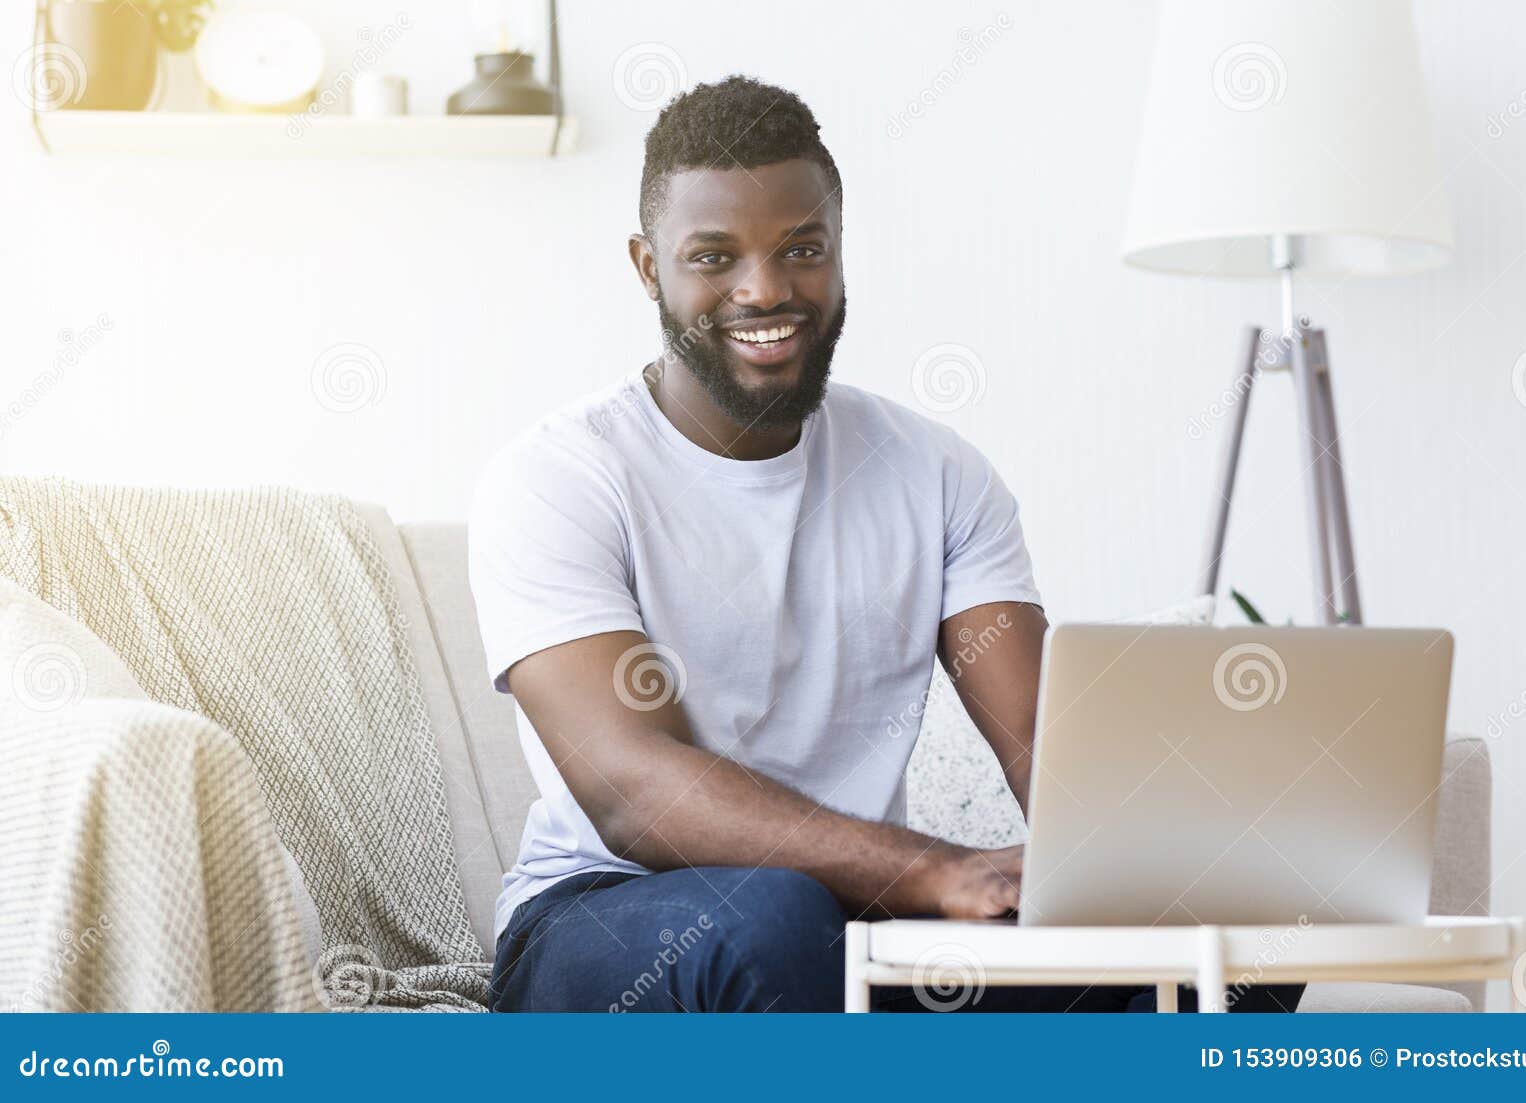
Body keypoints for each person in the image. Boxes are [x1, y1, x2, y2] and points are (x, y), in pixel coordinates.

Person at [468, 75, 1301, 1014]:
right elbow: (633, 790)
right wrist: (932, 868)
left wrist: (1171, 873)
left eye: (802, 249)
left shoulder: (935, 471)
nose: (766, 289)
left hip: (853, 927)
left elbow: (1045, 749)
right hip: (602, 921)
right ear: (648, 266)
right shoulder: (558, 477)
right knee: (774, 919)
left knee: (1227, 931)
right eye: (714, 256)